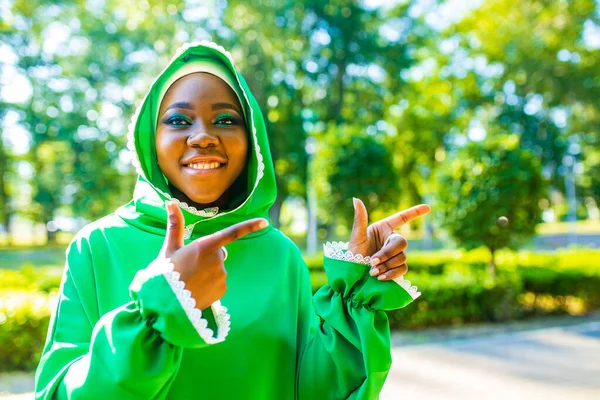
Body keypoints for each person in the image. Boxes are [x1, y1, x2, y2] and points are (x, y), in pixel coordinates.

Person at [34, 41, 430, 399]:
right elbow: (58, 392)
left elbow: (316, 391)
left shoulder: (280, 255)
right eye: (177, 120)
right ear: (149, 142)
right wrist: (159, 308)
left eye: (225, 120)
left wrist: (357, 290)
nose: (202, 137)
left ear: (252, 141)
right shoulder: (97, 246)